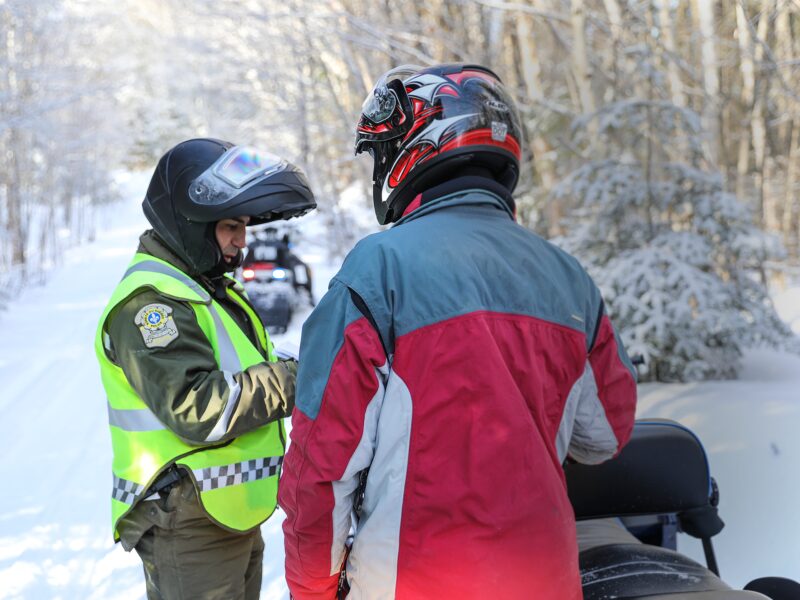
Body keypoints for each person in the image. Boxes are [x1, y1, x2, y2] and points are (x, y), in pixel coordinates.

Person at [279, 64, 637, 599]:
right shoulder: (569, 278)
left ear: (414, 148)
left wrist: (313, 590)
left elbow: (320, 471)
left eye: (381, 153)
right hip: (547, 581)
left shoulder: (378, 271)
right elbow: (605, 435)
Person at [94, 138, 315, 599]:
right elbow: (199, 407)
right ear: (190, 222)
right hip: (187, 523)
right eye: (232, 226)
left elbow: (252, 371)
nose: (243, 240)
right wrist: (304, 376)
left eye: (246, 225)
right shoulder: (152, 304)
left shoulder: (208, 290)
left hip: (223, 512)